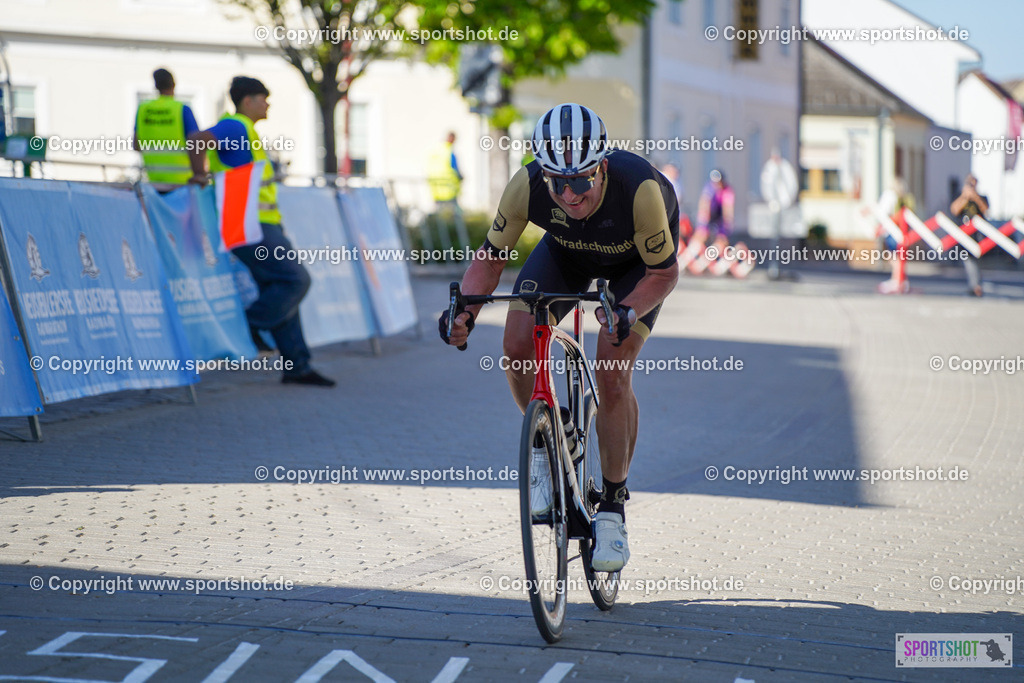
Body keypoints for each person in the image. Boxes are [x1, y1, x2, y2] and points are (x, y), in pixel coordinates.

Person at [438, 103, 680, 572]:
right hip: (568, 255)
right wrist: (461, 312)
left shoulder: (641, 189)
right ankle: (551, 438)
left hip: (635, 270)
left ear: (601, 168)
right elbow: (490, 259)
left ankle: (612, 506)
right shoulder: (527, 184)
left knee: (611, 369)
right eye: (558, 183)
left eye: (581, 181)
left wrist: (627, 311)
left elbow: (664, 273)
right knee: (514, 343)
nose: (569, 194)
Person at [187, 76, 335, 387]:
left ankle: (297, 366)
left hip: (256, 225)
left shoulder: (246, 131)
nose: (267, 104)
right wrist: (199, 174)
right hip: (250, 226)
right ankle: (249, 327)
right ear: (247, 101)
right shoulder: (236, 125)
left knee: (280, 288)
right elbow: (198, 139)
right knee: (296, 280)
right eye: (262, 98)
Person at [134, 68, 199, 188]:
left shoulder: (143, 109)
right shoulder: (181, 109)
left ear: (156, 86)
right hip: (182, 184)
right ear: (173, 85)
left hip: (153, 182)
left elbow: (136, 145)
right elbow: (197, 144)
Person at [950, 174, 988, 297]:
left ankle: (976, 285)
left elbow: (986, 210)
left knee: (975, 261)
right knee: (968, 260)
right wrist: (965, 196)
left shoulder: (981, 197)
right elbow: (954, 209)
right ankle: (975, 285)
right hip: (965, 235)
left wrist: (975, 197)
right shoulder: (961, 197)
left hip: (977, 235)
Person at [693, 169, 734, 255]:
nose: (717, 185)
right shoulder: (709, 188)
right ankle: (693, 253)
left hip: (719, 217)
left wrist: (727, 223)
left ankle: (714, 254)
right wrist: (703, 221)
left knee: (722, 239)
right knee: (701, 235)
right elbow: (704, 202)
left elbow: (728, 208)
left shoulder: (727, 190)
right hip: (709, 215)